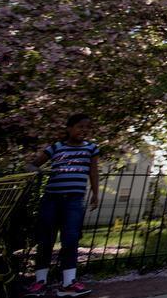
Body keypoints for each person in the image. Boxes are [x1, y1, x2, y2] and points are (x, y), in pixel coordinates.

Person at [23, 114, 100, 297]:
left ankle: (68, 283)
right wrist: (37, 170)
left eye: (86, 128)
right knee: (46, 238)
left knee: (71, 239)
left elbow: (93, 171)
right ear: (69, 128)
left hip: (74, 200)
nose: (83, 131)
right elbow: (32, 165)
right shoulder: (56, 148)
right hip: (52, 199)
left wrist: (95, 194)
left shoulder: (91, 149)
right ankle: (40, 281)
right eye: (80, 127)